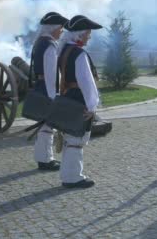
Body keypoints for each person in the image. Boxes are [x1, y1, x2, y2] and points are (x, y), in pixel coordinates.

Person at [57, 15, 102, 188]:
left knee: (70, 138)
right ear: (81, 34)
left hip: (68, 96)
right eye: (88, 33)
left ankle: (68, 175)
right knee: (77, 140)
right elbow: (87, 82)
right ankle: (73, 177)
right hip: (79, 99)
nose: (89, 37)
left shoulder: (65, 50)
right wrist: (92, 106)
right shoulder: (79, 54)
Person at [32, 12, 68, 171]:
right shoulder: (50, 45)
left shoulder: (40, 42)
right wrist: (54, 98)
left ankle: (43, 158)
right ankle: (46, 160)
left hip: (40, 88)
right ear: (54, 28)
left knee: (43, 128)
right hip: (47, 90)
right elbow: (51, 74)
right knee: (47, 129)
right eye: (61, 28)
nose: (62, 31)